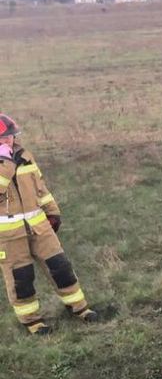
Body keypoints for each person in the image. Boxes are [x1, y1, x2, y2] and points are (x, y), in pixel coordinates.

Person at [0, 114, 97, 335]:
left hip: (39, 227)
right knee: (20, 278)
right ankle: (32, 321)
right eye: (2, 139)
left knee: (60, 266)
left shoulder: (25, 156)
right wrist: (4, 163)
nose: (8, 141)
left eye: (10, 137)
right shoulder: (5, 162)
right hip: (8, 235)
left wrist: (52, 212)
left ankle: (80, 308)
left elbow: (40, 188)